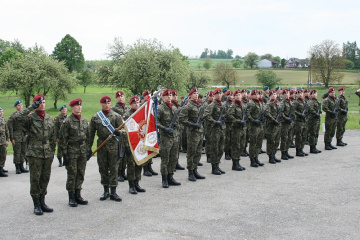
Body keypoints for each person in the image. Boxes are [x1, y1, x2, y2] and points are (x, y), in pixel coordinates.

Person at [13, 95, 55, 215]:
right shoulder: (30, 118)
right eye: (39, 102)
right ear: (36, 104)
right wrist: (31, 107)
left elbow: (52, 136)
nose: (42, 104)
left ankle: (42, 201)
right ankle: (36, 204)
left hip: (47, 152)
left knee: (45, 178)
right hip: (34, 153)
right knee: (35, 178)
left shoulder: (49, 118)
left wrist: (52, 151)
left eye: (44, 102)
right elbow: (15, 118)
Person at [89, 96, 123, 202]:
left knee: (114, 169)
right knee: (103, 168)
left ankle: (113, 191)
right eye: (104, 103)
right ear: (101, 104)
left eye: (108, 103)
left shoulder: (116, 116)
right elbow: (91, 134)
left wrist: (119, 132)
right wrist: (88, 148)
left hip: (114, 145)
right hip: (102, 146)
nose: (107, 105)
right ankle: (105, 191)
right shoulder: (96, 117)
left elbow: (125, 131)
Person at [61, 98, 89, 207]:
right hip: (72, 151)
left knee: (81, 173)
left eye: (80, 105)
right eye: (76, 105)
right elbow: (63, 139)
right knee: (72, 174)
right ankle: (71, 197)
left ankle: (78, 195)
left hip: (82, 150)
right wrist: (65, 154)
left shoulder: (84, 120)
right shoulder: (67, 121)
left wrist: (87, 149)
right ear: (72, 107)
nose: (79, 107)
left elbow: (87, 136)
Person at [179, 88, 206, 181]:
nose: (196, 95)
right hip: (192, 132)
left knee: (198, 152)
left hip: (200, 131)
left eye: (197, 93)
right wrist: (192, 124)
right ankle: (190, 172)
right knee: (191, 152)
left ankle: (195, 170)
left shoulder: (199, 106)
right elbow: (182, 119)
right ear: (190, 95)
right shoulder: (187, 107)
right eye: (194, 93)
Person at [123, 96, 146, 194]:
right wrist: (126, 146)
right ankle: (131, 185)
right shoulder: (127, 115)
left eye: (138, 103)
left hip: (139, 143)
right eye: (134, 103)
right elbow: (124, 132)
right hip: (131, 144)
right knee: (131, 165)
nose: (136, 104)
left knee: (139, 163)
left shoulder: (141, 113)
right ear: (131, 104)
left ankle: (137, 183)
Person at [203, 88, 226, 175]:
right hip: (214, 130)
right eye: (217, 94)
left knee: (221, 148)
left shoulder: (222, 104)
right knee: (214, 149)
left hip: (221, 129)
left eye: (220, 94)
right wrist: (215, 121)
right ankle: (214, 167)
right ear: (215, 95)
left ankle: (217, 165)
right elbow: (206, 115)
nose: (219, 95)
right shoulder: (212, 105)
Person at [226, 89, 246, 171]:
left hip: (243, 128)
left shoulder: (243, 105)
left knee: (241, 145)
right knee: (236, 146)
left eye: (239, 95)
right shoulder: (233, 105)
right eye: (236, 95)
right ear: (234, 97)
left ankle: (238, 162)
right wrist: (238, 121)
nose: (238, 96)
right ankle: (235, 164)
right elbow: (229, 115)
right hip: (236, 128)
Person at [112, 91, 129, 182]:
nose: (120, 98)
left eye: (122, 96)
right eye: (118, 97)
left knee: (125, 155)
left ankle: (123, 172)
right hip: (118, 135)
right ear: (116, 98)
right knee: (119, 155)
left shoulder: (127, 108)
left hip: (126, 134)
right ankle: (118, 173)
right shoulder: (114, 109)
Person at [8, 100, 29, 174]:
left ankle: (21, 166)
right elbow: (10, 128)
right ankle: (17, 167)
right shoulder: (13, 116)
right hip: (16, 135)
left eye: (21, 105)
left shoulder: (25, 115)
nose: (20, 106)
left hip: (23, 135)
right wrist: (12, 138)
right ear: (15, 107)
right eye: (18, 105)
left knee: (23, 151)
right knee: (17, 152)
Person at [140, 90, 158, 177]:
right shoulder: (142, 106)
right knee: (145, 149)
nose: (148, 96)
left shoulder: (151, 104)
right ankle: (145, 168)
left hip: (150, 129)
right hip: (144, 130)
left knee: (150, 146)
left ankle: (149, 167)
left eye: (149, 94)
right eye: (146, 95)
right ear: (143, 97)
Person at [246, 89, 265, 167]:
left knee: (259, 143)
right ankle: (252, 160)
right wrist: (253, 120)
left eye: (258, 94)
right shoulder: (251, 103)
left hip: (260, 125)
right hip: (253, 126)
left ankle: (256, 157)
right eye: (255, 94)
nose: (257, 95)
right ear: (252, 95)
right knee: (253, 143)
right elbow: (247, 113)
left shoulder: (260, 103)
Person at [265, 90, 282, 163]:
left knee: (276, 141)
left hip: (277, 125)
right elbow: (267, 113)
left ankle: (274, 155)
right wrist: (273, 120)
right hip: (271, 125)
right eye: (272, 94)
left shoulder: (277, 103)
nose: (273, 95)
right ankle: (270, 157)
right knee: (271, 141)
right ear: (269, 96)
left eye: (275, 94)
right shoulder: (269, 103)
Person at [279, 89, 294, 160]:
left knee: (289, 138)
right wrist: (286, 118)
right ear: (283, 95)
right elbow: (281, 113)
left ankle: (286, 151)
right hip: (284, 123)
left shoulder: (290, 102)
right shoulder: (282, 103)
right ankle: (283, 153)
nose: (287, 94)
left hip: (290, 123)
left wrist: (292, 117)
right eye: (285, 93)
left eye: (288, 93)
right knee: (284, 138)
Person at [293, 89, 309, 156]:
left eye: (301, 93)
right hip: (298, 121)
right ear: (296, 94)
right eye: (298, 93)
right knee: (299, 136)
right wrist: (300, 114)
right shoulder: (295, 102)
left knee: (303, 136)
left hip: (304, 121)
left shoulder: (304, 101)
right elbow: (294, 111)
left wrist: (306, 113)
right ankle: (298, 150)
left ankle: (301, 149)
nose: (300, 94)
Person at [204, 91, 214, 163]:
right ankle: (208, 156)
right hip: (208, 125)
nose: (212, 97)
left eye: (213, 96)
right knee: (208, 142)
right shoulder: (205, 105)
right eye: (211, 96)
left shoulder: (213, 104)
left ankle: (213, 155)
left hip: (213, 126)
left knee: (213, 141)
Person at [223, 90, 233, 160]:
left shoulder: (233, 104)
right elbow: (224, 114)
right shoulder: (224, 104)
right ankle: (227, 153)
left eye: (231, 95)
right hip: (227, 123)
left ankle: (230, 152)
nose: (230, 97)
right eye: (229, 95)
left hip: (232, 123)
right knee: (227, 139)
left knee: (232, 139)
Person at [0, 107, 9, 177]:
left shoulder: (3, 119)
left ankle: (1, 167)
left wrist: (7, 140)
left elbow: (6, 130)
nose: (1, 113)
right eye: (0, 111)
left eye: (2, 111)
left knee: (3, 155)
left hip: (2, 141)